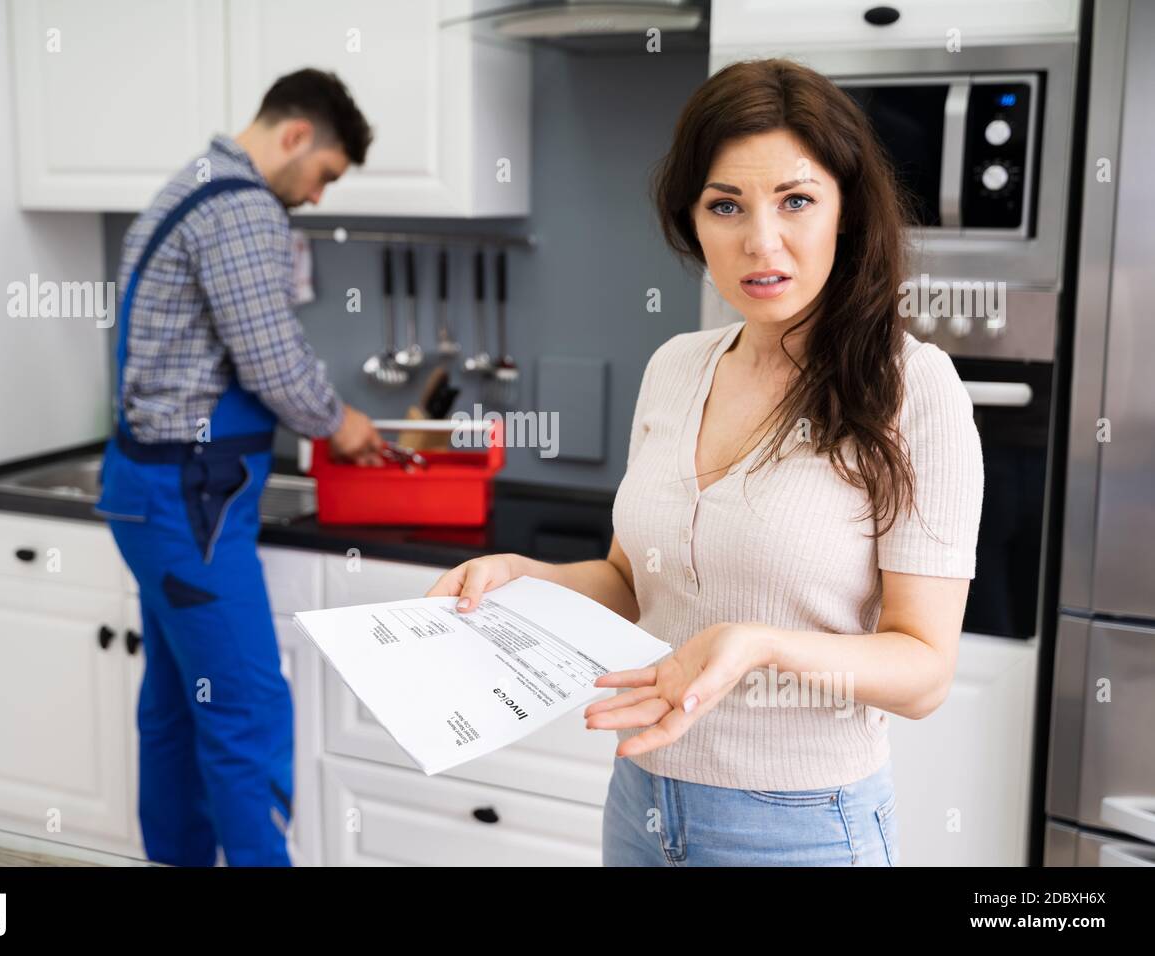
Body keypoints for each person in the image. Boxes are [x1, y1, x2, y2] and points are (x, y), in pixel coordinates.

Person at [426, 58, 984, 866]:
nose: (762, 241)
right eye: (727, 205)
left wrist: (760, 645)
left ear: (846, 212)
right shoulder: (677, 367)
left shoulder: (914, 390)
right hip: (642, 802)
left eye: (796, 200)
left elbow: (925, 672)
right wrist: (525, 576)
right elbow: (629, 584)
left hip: (800, 824)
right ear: (692, 221)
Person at [95, 68, 384, 866]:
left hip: (152, 492)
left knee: (179, 707)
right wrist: (345, 423)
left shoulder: (191, 184)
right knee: (246, 708)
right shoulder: (241, 206)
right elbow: (271, 361)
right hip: (190, 502)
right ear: (295, 136)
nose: (319, 196)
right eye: (324, 175)